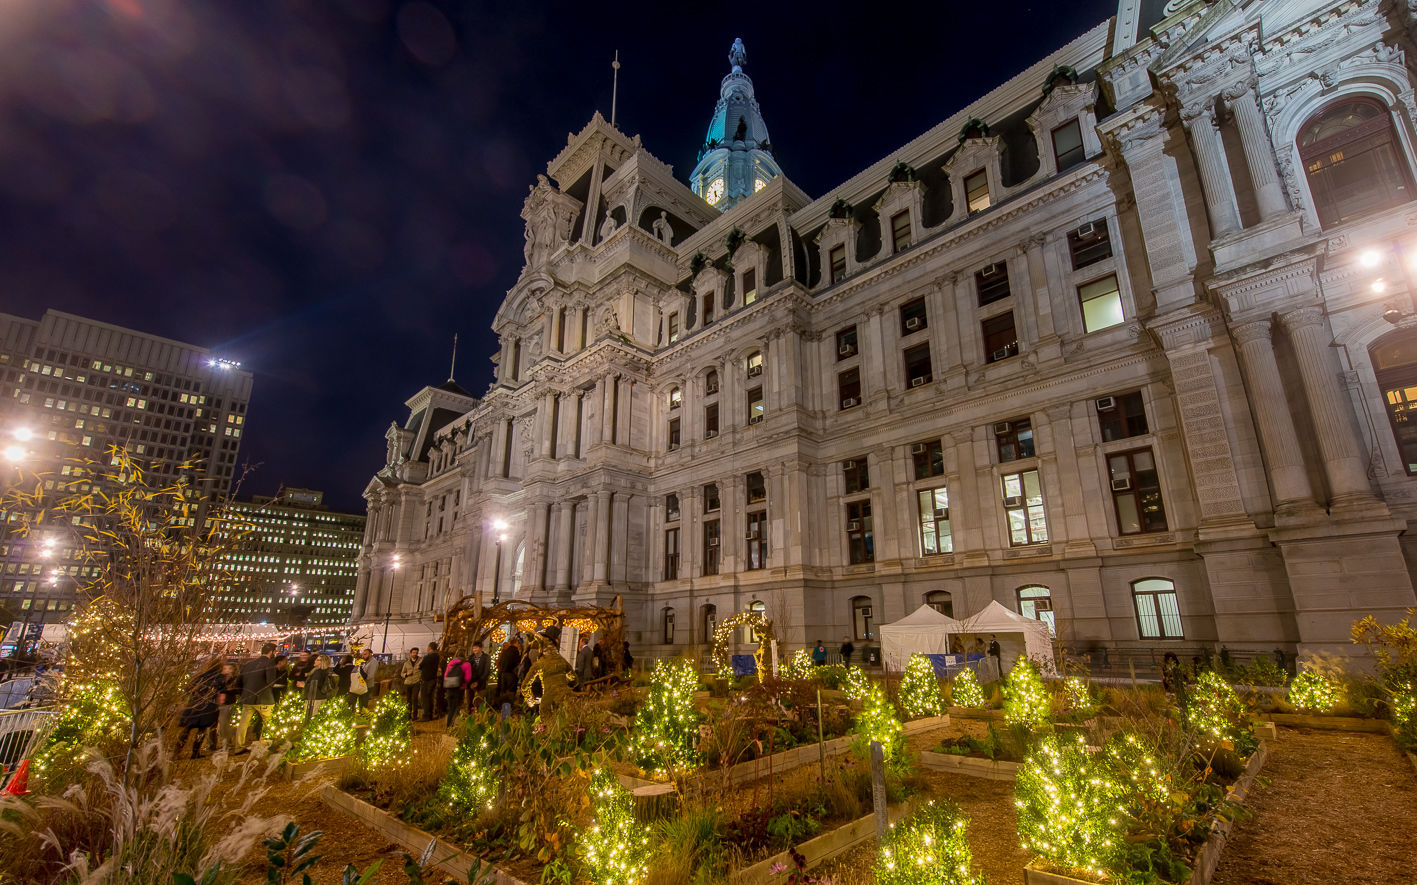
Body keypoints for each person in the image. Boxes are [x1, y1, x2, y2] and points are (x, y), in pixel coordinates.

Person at [176, 659, 223, 759]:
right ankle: (195, 752)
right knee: (202, 729)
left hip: (194, 705)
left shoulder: (200, 676)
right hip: (208, 707)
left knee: (187, 729)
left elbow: (189, 689)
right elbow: (222, 692)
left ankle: (177, 751)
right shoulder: (219, 678)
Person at [236, 643, 278, 750]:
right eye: (275, 651)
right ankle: (262, 745)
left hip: (247, 698)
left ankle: (239, 745)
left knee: (244, 722)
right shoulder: (270, 664)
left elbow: (239, 681)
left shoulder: (249, 664)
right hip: (263, 698)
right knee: (268, 721)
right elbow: (270, 681)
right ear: (271, 652)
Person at [215, 661, 240, 752]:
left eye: (229, 669)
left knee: (224, 725)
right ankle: (213, 744)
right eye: (225, 668)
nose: (227, 671)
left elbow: (237, 690)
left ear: (233, 670)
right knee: (216, 726)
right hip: (217, 703)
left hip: (227, 703)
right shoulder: (219, 678)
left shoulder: (235, 679)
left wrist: (230, 690)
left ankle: (225, 744)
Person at [304, 653, 337, 721]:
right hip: (322, 697)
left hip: (315, 698)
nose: (315, 661)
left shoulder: (318, 672)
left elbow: (314, 685)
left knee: (312, 718)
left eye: (318, 660)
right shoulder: (326, 671)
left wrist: (304, 685)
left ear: (323, 662)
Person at [443, 653, 472, 727]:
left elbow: (445, 676)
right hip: (459, 688)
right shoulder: (466, 664)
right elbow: (468, 678)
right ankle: (451, 726)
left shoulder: (450, 663)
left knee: (450, 708)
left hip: (449, 688)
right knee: (456, 707)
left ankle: (448, 724)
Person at [419, 642, 442, 721]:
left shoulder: (427, 657)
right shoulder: (437, 657)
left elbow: (420, 666)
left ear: (429, 648)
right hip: (433, 679)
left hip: (426, 680)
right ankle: (430, 714)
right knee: (431, 698)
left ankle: (426, 715)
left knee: (425, 698)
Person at [466, 642, 490, 711]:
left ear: (481, 648)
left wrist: (478, 682)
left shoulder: (486, 658)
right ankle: (469, 716)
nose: (474, 649)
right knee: (469, 701)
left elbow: (486, 671)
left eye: (476, 648)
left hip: (480, 683)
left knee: (479, 701)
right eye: (473, 648)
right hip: (470, 683)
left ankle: (479, 717)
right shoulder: (470, 658)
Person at [498, 639, 522, 704]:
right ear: (515, 643)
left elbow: (500, 662)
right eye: (518, 643)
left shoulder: (505, 652)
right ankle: (509, 708)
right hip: (511, 675)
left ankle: (503, 708)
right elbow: (517, 663)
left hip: (503, 674)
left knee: (504, 692)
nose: (519, 645)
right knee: (510, 692)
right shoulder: (515, 652)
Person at [401, 647, 422, 717]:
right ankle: (408, 714)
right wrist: (406, 674)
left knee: (415, 698)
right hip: (408, 683)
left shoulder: (420, 661)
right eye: (413, 653)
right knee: (408, 699)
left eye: (416, 653)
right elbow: (402, 673)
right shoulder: (406, 663)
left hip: (416, 682)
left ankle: (415, 715)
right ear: (410, 654)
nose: (415, 654)